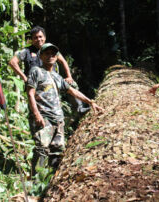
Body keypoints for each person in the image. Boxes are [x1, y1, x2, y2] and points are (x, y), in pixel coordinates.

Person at [26, 43, 103, 175]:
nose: (50, 56)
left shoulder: (56, 76)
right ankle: (35, 180)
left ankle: (51, 179)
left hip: (58, 118)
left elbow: (72, 91)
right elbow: (30, 93)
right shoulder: (36, 71)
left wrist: (90, 102)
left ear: (56, 57)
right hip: (44, 117)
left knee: (57, 149)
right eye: (47, 54)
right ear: (41, 56)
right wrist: (36, 114)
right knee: (42, 148)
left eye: (53, 54)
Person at [8, 26, 90, 114]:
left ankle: (79, 109)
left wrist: (69, 76)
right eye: (35, 37)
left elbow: (63, 61)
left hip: (53, 80)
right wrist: (24, 78)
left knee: (71, 85)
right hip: (36, 84)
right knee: (38, 106)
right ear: (31, 39)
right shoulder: (27, 51)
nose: (38, 39)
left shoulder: (50, 49)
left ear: (45, 37)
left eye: (40, 36)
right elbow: (12, 62)